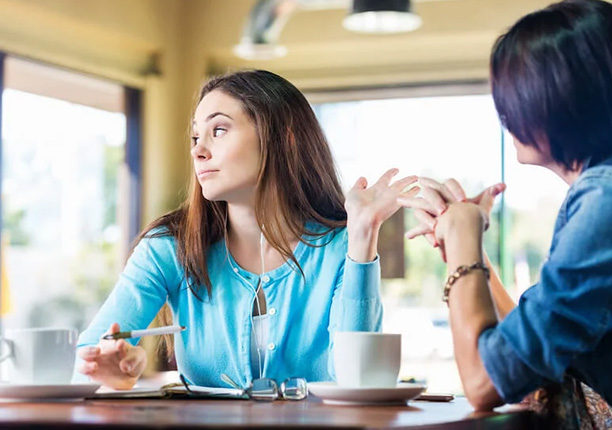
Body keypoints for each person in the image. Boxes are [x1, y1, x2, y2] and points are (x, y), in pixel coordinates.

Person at [399, 1, 612, 428]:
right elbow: (527, 348)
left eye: (511, 96)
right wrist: (470, 249)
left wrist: (461, 240)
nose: (504, 115)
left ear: (557, 100)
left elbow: (485, 380)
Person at [75, 70, 417, 390]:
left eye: (218, 130)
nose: (198, 150)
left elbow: (358, 379)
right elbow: (92, 350)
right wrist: (108, 363)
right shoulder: (168, 247)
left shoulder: (341, 248)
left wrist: (362, 236)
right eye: (195, 136)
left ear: (285, 138)